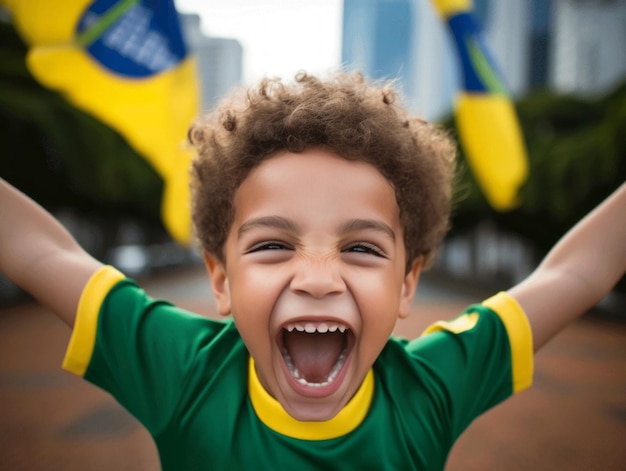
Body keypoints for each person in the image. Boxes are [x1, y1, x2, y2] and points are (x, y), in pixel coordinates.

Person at [0, 72, 624, 470]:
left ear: (408, 283)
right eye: (273, 245)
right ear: (220, 278)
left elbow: (575, 273)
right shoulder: (184, 371)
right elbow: (41, 252)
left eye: (362, 249)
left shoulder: (430, 388)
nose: (319, 278)